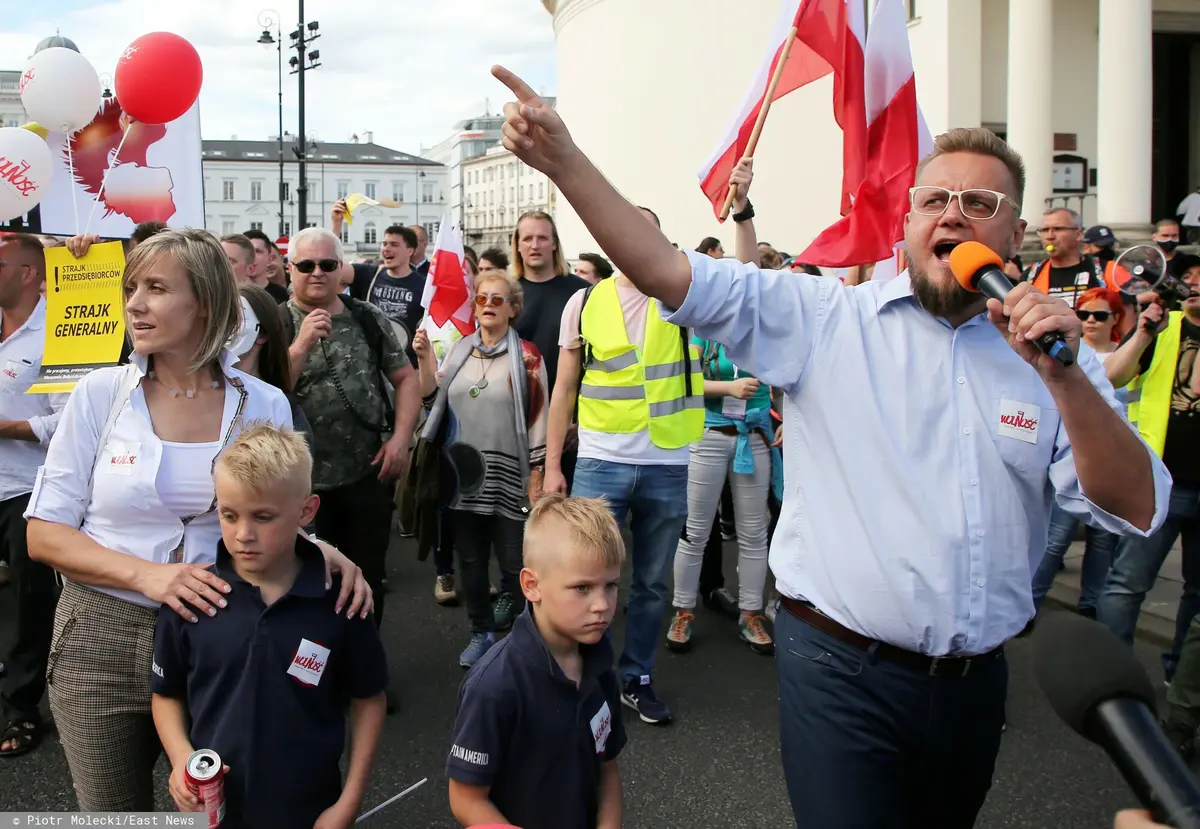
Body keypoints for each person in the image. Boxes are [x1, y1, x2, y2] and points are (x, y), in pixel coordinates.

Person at [491, 66, 1167, 827]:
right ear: (909, 223)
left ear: (1016, 235)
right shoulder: (824, 318)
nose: (954, 215)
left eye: (980, 203)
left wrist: (1067, 379)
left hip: (973, 684)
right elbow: (666, 271)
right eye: (935, 200)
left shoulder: (1051, 352)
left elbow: (1134, 503)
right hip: (840, 671)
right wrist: (566, 162)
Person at [24, 228, 371, 810]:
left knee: (228, 805)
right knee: (111, 813)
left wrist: (316, 546)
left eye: (156, 288)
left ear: (206, 303)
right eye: (131, 286)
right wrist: (148, 577)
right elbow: (43, 532)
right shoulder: (98, 395)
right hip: (100, 633)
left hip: (225, 629)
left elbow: (274, 507)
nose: (134, 303)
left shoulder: (263, 403)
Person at [151, 424, 387, 829]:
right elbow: (166, 695)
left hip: (310, 810)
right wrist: (180, 760)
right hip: (214, 811)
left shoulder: (342, 602)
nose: (243, 535)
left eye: (263, 517)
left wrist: (349, 801)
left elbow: (369, 699)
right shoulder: (193, 599)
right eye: (229, 514)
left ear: (307, 511)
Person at [543, 205, 704, 725]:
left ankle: (636, 678)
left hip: (667, 461)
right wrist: (550, 467)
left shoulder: (684, 296)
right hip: (601, 461)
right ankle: (585, 676)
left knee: (653, 584)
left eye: (647, 234)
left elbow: (746, 277)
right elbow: (564, 386)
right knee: (586, 577)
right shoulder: (584, 301)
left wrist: (742, 212)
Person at [446, 494, 625, 829]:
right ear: (532, 585)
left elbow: (608, 769)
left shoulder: (600, 668)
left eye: (611, 585)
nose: (602, 604)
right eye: (582, 587)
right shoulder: (494, 686)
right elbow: (466, 798)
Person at [283, 227, 421, 629]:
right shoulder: (274, 322)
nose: (317, 273)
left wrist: (400, 439)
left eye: (328, 265)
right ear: (291, 269)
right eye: (306, 265)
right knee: (307, 585)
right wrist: (300, 345)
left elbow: (406, 379)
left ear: (341, 268)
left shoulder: (366, 316)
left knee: (365, 583)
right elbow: (269, 394)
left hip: (365, 476)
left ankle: (363, 677)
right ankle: (314, 679)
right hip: (300, 485)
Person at [413, 269, 549, 667]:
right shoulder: (458, 351)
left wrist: (538, 474)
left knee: (515, 564)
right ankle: (481, 631)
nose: (488, 305)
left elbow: (538, 416)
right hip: (462, 477)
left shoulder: (528, 356)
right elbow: (431, 399)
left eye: (497, 299)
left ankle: (527, 638)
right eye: (482, 298)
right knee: (470, 562)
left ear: (513, 309)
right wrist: (424, 358)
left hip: (512, 477)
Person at [1099, 255, 1200, 680]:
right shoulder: (1165, 328)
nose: (1194, 282)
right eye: (1188, 276)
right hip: (1161, 480)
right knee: (1126, 584)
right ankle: (1112, 677)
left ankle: (1180, 679)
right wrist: (1142, 333)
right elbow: (1111, 378)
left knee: (1197, 596)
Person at [0, 234, 68, 759]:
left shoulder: (59, 332)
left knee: (29, 604)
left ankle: (21, 709)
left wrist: (10, 427)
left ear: (26, 272)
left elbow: (70, 419)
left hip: (30, 489)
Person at [668, 332, 774, 655]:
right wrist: (729, 388)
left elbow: (789, 380)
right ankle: (683, 611)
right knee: (696, 531)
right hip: (708, 434)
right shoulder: (703, 327)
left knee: (754, 533)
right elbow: (685, 379)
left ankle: (750, 615)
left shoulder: (764, 325)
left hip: (754, 434)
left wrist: (787, 418)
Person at [1029, 288, 1126, 618]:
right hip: (1066, 460)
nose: (1091, 322)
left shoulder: (1124, 350)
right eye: (1084, 314)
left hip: (1113, 460)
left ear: (1115, 318)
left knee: (1103, 544)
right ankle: (1030, 607)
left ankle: (1091, 607)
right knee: (1054, 541)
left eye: (1100, 315)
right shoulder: (1070, 351)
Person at [233, 284, 312, 446]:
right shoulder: (203, 396)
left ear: (261, 333)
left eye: (235, 319)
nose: (222, 328)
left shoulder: (280, 406)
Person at [1022, 207, 1112, 307]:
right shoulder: (1030, 275)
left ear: (1078, 234)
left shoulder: (1108, 271)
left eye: (1058, 229)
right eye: (1045, 230)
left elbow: (1127, 318)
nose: (1050, 236)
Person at [242, 229, 290, 303]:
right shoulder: (229, 293)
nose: (252, 256)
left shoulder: (283, 295)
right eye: (248, 251)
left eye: (258, 251)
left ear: (269, 258)